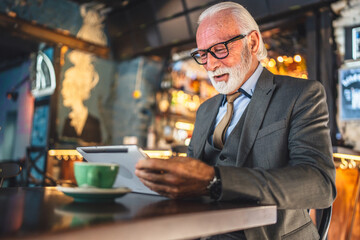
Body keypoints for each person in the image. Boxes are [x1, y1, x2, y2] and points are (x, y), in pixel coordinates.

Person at [135, 2, 336, 239]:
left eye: (219, 49)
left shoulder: (301, 94)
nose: (210, 64)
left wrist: (216, 180)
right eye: (203, 54)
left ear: (252, 42)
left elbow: (319, 184)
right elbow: (191, 177)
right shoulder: (205, 110)